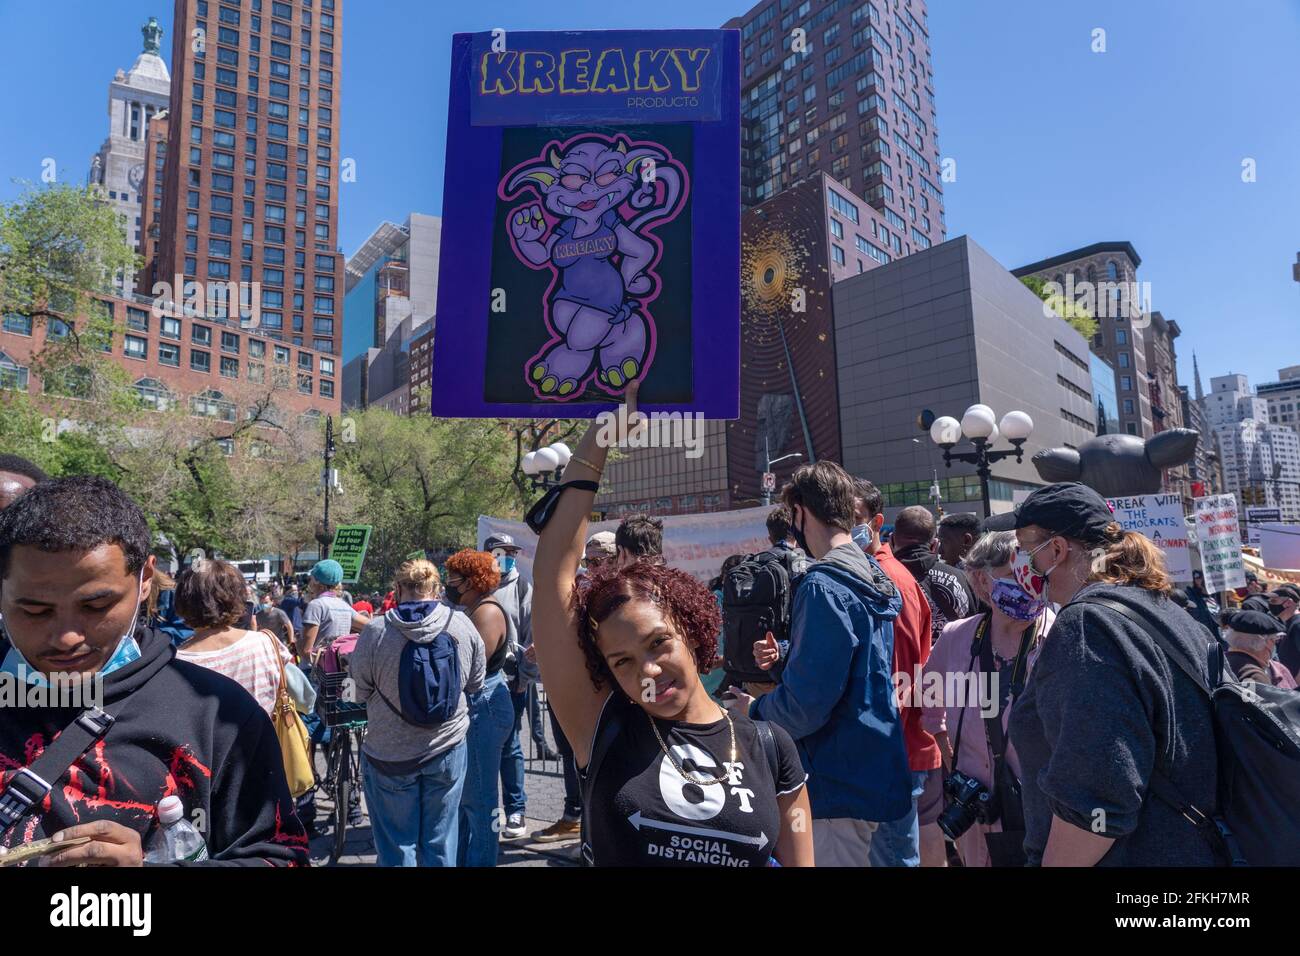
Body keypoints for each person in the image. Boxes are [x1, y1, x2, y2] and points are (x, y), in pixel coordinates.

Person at [530, 382, 814, 867]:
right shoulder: (601, 728)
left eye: (657, 643)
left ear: (689, 629)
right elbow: (553, 568)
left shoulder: (770, 746)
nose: (649, 671)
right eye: (622, 661)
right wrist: (600, 437)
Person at [0, 476, 307, 865]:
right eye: (35, 611)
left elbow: (282, 857)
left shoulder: (220, 717)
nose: (66, 637)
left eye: (96, 607)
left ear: (145, 579)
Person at [992, 482, 1220, 865]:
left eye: (1024, 547)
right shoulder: (1169, 612)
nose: (1020, 560)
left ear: (1057, 550)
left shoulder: (1086, 627)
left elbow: (1096, 805)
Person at [740, 460, 910, 866]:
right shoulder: (869, 570)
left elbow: (806, 705)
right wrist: (786, 653)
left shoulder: (823, 584)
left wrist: (752, 711)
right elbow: (855, 661)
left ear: (799, 512)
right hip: (865, 767)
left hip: (833, 779)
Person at [921, 531, 1056, 867]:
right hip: (978, 817)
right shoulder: (957, 638)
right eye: (1015, 576)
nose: (1029, 584)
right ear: (982, 581)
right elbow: (928, 703)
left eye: (1035, 574)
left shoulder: (1058, 636)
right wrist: (952, 761)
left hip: (1043, 815)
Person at [348, 558, 485, 866]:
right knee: (440, 841)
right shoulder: (462, 625)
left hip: (389, 754)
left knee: (398, 846)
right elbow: (476, 683)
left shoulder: (376, 631)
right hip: (447, 748)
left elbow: (356, 691)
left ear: (397, 589)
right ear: (437, 589)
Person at [850, 479, 940, 868]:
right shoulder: (868, 573)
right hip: (888, 751)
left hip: (892, 752)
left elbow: (900, 680)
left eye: (851, 519)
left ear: (876, 522)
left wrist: (874, 755)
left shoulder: (888, 581)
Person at [531, 530, 619, 845]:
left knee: (601, 755)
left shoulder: (621, 591)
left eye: (598, 562)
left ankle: (599, 828)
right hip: (568, 681)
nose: (591, 568)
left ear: (615, 559)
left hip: (603, 688)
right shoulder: (579, 586)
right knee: (569, 751)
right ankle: (575, 816)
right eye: (588, 561)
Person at [445, 549, 515, 867]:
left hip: (483, 706)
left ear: (473, 581)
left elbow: (472, 667)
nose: (449, 585)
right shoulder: (473, 608)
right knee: (466, 798)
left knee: (480, 799)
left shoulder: (486, 613)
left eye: (454, 579)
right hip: (479, 704)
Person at [484, 531, 549, 842]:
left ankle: (515, 810)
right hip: (476, 683)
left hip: (511, 683)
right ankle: (485, 813)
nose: (507, 556)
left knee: (510, 747)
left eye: (511, 551)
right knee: (480, 749)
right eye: (502, 551)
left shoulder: (523, 587)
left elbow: (531, 640)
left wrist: (524, 678)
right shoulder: (476, 587)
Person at [174, 560, 303, 717]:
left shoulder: (175, 663)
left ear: (182, 600)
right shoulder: (266, 643)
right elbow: (304, 698)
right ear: (238, 599)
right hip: (263, 738)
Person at [891, 506, 976, 645]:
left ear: (892, 540)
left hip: (904, 665)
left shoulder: (880, 578)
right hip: (958, 664)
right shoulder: (965, 579)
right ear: (934, 545)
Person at [300, 559, 370, 663]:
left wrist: (296, 639)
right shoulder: (344, 606)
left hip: (315, 673)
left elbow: (306, 652)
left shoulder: (316, 605)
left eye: (311, 578)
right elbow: (370, 625)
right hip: (337, 670)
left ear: (317, 582)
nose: (309, 582)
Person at [1222, 609, 1297, 689]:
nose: (1275, 645)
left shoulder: (1219, 661)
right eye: (1275, 640)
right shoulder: (1254, 676)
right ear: (1261, 642)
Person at [1266, 584, 1300, 679]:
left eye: (1274, 601)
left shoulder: (1297, 624)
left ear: (1288, 603)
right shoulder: (1288, 623)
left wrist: (1296, 683)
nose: (1270, 605)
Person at [1184, 570, 1221, 636]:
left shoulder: (1213, 593)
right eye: (1197, 578)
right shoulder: (1190, 594)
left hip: (1215, 630)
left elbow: (1215, 612)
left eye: (1201, 578)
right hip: (1201, 631)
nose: (1199, 581)